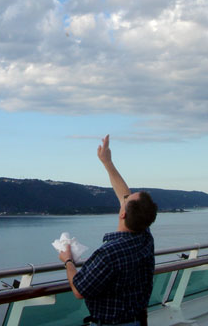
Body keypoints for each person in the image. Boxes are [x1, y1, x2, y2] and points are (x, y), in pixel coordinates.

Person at [58, 134, 158, 326]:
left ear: (123, 214)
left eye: (126, 200)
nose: (124, 197)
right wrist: (107, 162)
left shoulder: (109, 253)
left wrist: (68, 260)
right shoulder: (145, 237)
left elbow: (80, 290)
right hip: (138, 320)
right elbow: (123, 193)